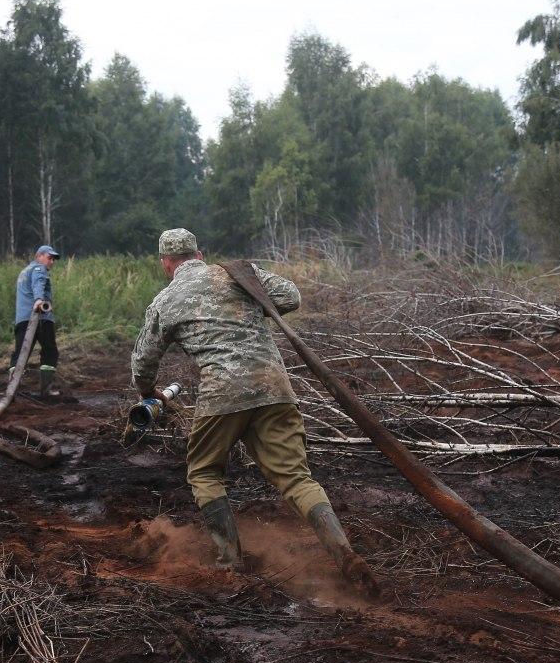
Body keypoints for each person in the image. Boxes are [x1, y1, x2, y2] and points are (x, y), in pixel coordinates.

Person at [130, 228, 378, 590]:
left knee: (204, 473)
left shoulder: (164, 301)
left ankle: (229, 563)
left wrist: (148, 393)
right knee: (296, 478)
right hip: (274, 387)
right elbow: (290, 297)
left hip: (222, 395)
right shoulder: (236, 274)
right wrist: (251, 294)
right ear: (199, 254)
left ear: (166, 263)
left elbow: (142, 362)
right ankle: (343, 553)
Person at [12, 245, 61, 398]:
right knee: (50, 351)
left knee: (20, 353)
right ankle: (46, 391)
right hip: (40, 318)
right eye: (49, 257)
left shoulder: (24, 271)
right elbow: (38, 283)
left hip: (22, 319)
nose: (52, 261)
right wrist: (39, 300)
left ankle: (11, 390)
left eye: (53, 259)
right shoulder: (39, 269)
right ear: (39, 256)